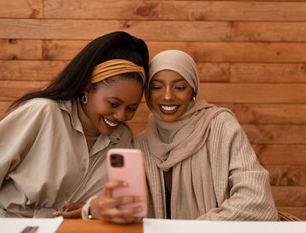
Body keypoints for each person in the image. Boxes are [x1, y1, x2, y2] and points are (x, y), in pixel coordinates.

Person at [0, 31, 149, 218]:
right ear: (88, 88)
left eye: (131, 108)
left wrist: (91, 209)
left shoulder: (121, 139)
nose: (121, 116)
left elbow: (109, 206)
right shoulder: (43, 113)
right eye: (114, 104)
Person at [84, 50, 278, 222]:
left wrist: (192, 229)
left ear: (193, 90)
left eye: (179, 87)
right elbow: (122, 205)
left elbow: (258, 201)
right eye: (157, 87)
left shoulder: (220, 126)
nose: (168, 96)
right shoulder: (139, 145)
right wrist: (90, 209)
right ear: (148, 94)